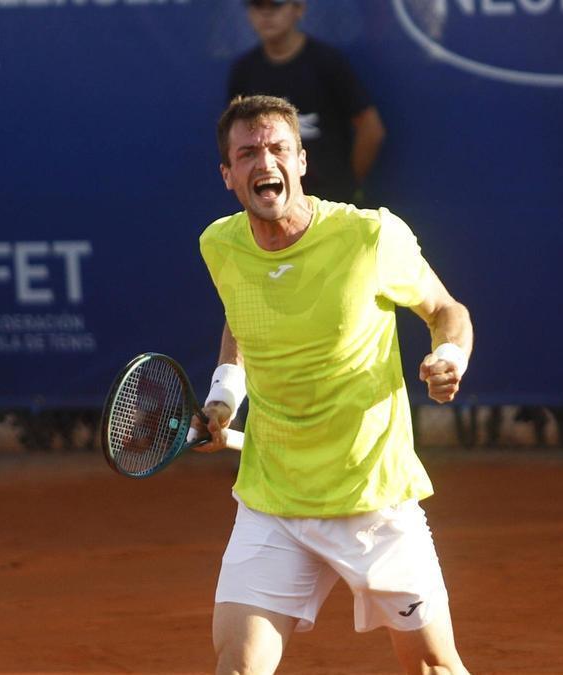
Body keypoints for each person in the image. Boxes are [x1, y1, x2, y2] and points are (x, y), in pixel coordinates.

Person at [193, 95, 472, 674]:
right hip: (273, 502)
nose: (264, 162)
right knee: (238, 668)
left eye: (277, 148)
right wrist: (224, 398)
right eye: (247, 153)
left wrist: (448, 355)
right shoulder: (220, 245)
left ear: (300, 161)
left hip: (374, 499)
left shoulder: (370, 237)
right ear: (228, 175)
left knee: (432, 667)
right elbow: (240, 316)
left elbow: (446, 309)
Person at [228, 0, 386, 204]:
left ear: (299, 9)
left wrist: (347, 187)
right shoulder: (244, 71)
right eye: (258, 6)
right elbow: (236, 138)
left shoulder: (327, 62)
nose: (266, 14)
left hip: (329, 199)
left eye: (276, 5)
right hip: (271, 200)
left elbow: (371, 129)